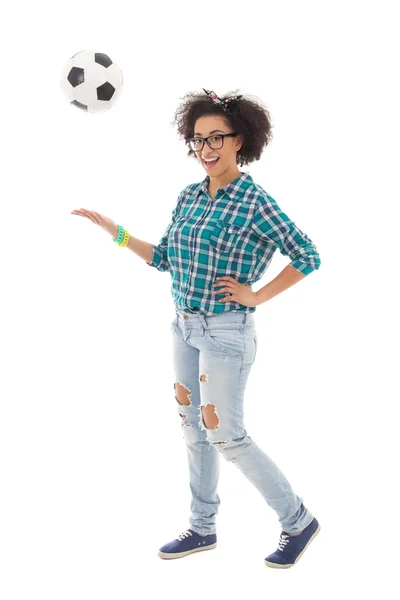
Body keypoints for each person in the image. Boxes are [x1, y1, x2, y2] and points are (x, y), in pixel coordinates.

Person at [71, 88, 321, 569]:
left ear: (239, 140)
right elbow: (164, 257)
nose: (206, 149)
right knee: (193, 429)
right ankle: (202, 527)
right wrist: (116, 232)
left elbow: (307, 255)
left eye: (216, 138)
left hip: (226, 332)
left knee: (226, 435)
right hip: (183, 328)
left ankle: (297, 520)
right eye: (198, 140)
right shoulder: (188, 195)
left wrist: (257, 295)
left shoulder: (254, 200)